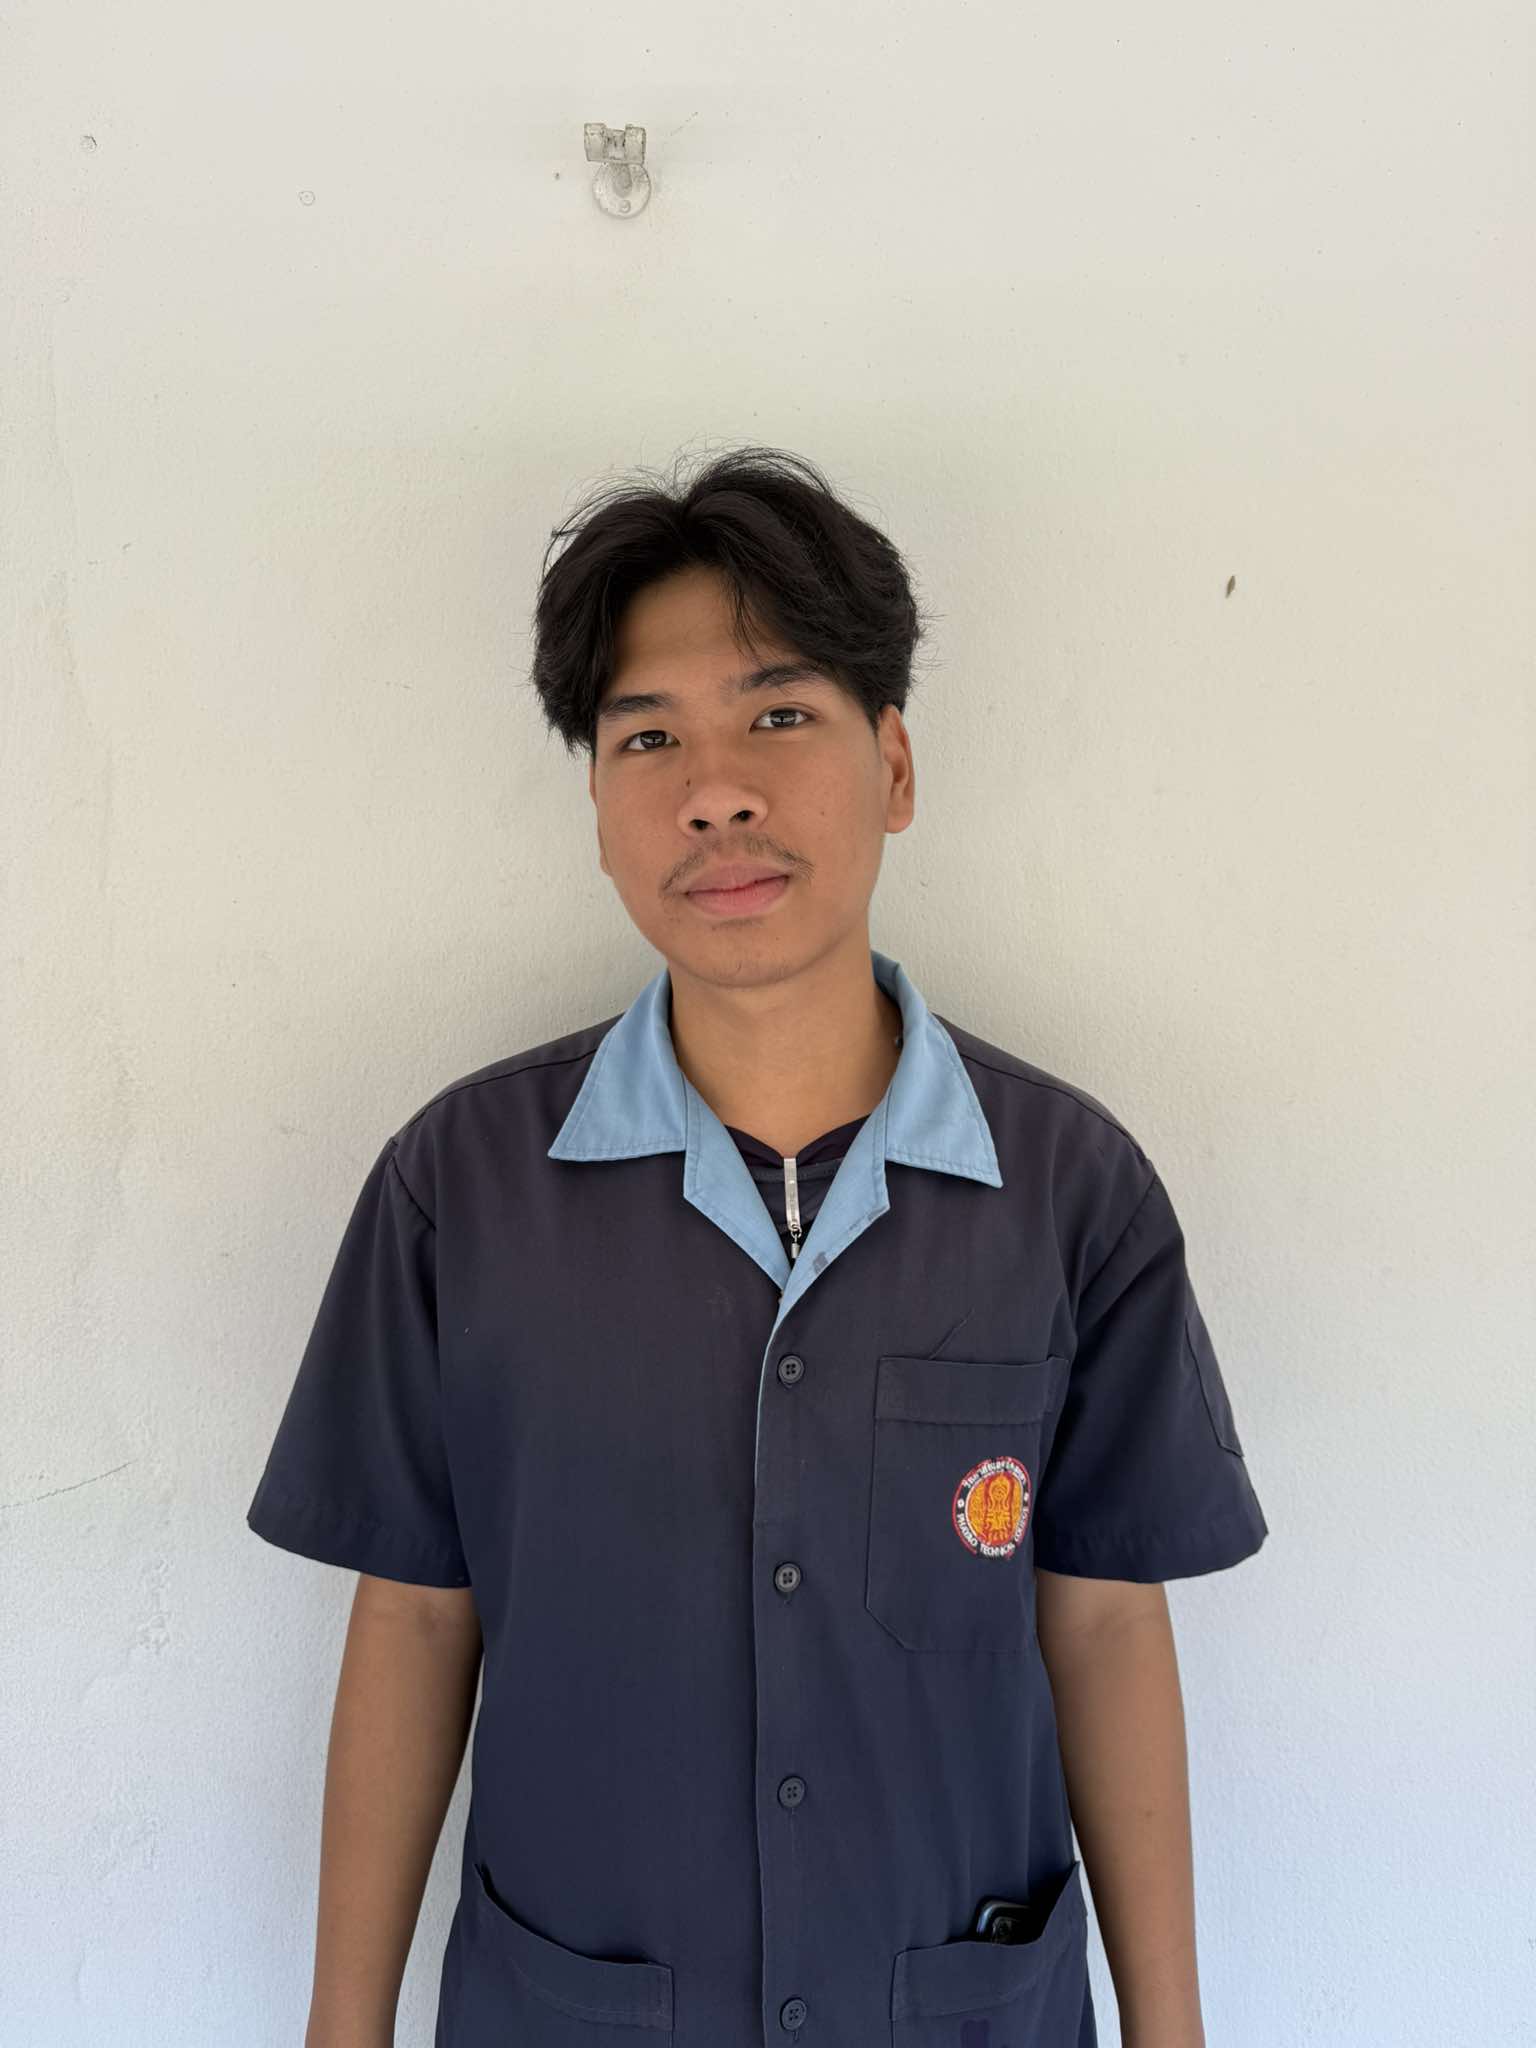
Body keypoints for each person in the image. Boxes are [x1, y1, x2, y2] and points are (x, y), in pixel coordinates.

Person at [247, 445, 1268, 2048]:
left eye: (778, 716)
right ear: (599, 811)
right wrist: (339, 2031)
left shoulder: (1072, 1193)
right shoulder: (462, 1190)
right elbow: (418, 1617)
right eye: (648, 737)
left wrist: (1173, 2030)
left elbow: (1104, 1620)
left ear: (895, 765)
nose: (715, 791)